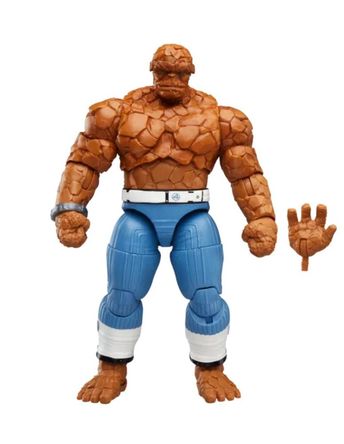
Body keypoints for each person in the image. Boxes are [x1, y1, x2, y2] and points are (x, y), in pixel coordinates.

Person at [51, 43, 277, 403]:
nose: (171, 79)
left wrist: (261, 217)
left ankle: (211, 369)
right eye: (164, 72)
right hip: (138, 215)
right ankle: (111, 369)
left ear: (191, 74)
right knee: (121, 293)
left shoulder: (220, 118)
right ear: (152, 71)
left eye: (179, 73)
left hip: (193, 215)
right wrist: (70, 209)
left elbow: (245, 173)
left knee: (206, 294)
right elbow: (85, 162)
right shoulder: (117, 113)